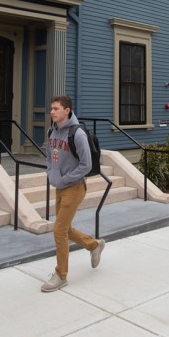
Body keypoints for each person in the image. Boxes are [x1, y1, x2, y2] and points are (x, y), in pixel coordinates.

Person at [41, 95, 105, 292]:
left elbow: (86, 165)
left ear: (66, 111)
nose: (52, 112)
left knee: (58, 229)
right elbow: (51, 156)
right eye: (51, 108)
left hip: (75, 186)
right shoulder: (52, 131)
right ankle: (94, 245)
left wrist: (65, 179)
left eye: (56, 109)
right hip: (60, 186)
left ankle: (61, 275)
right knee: (65, 229)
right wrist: (51, 173)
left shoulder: (77, 134)